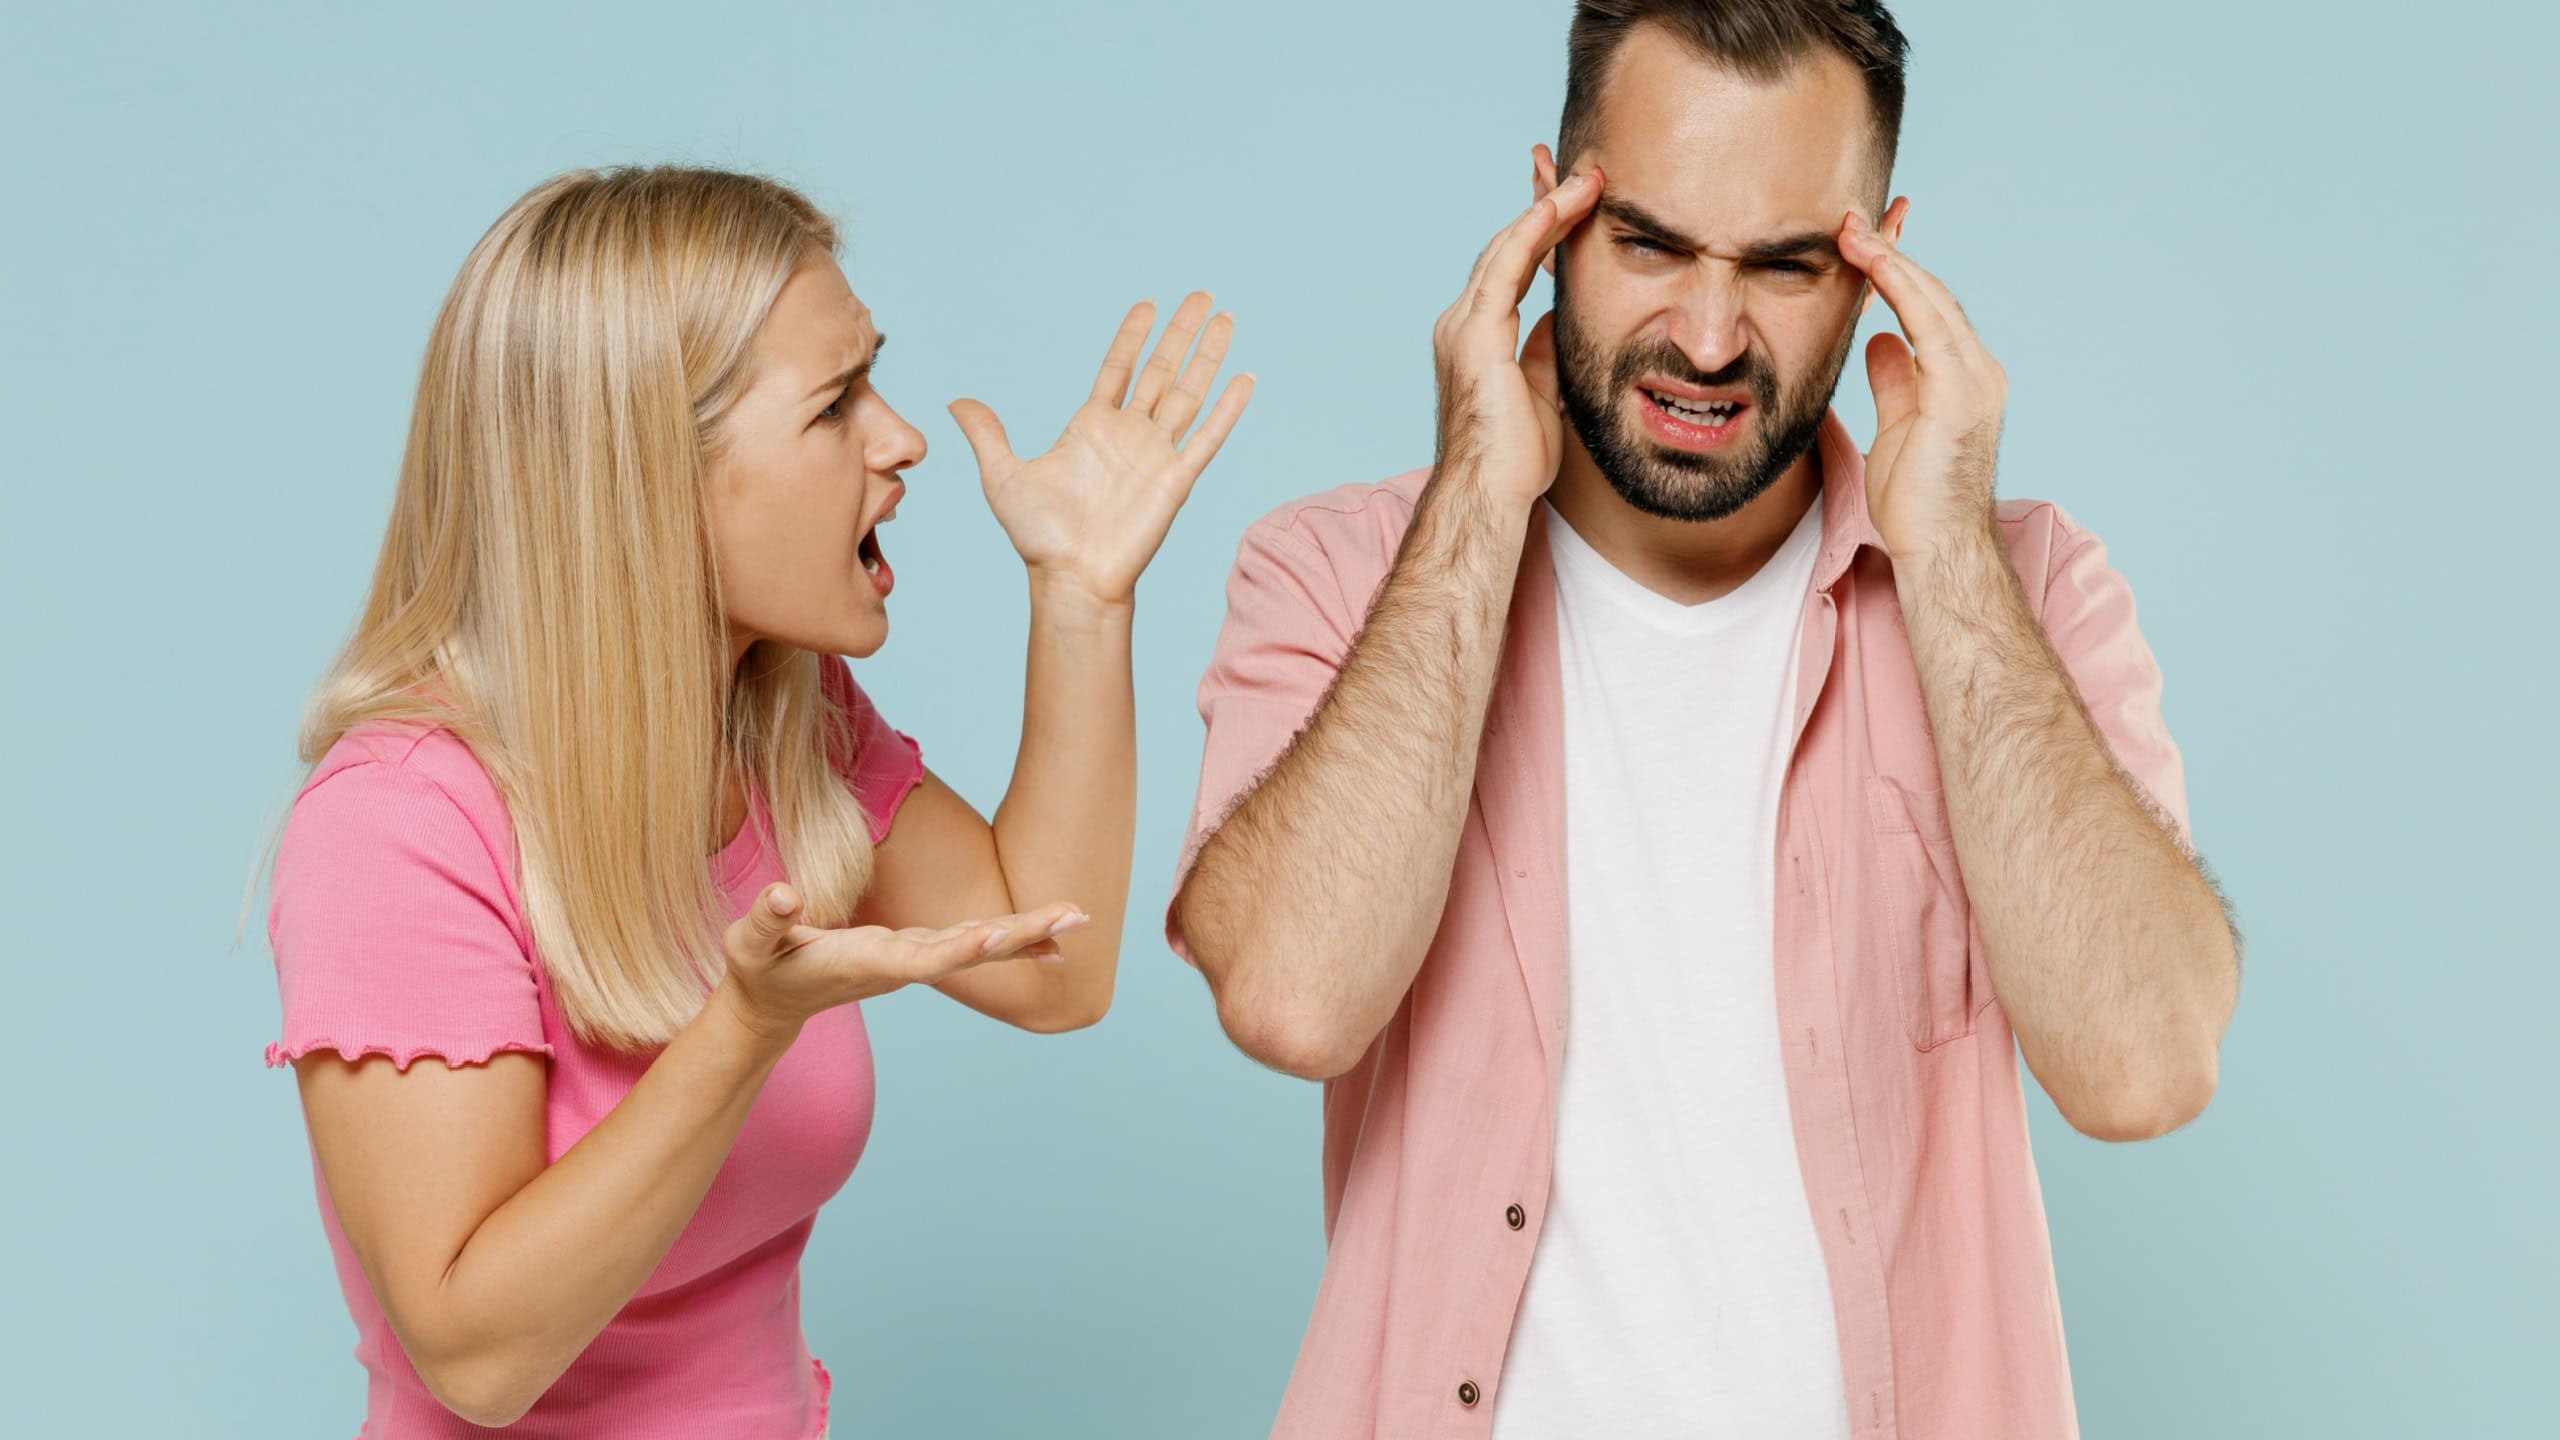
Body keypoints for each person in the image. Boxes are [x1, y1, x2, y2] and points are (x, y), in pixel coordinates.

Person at [1168, 2, 2238, 1435]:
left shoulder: (2029, 590)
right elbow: (1297, 998)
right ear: (1549, 212)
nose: (1712, 337)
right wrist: (1479, 498)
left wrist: (1951, 562)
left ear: (1881, 260)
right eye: (1653, 244)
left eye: (1788, 263)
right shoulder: (1337, 573)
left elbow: (2145, 1067)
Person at [264, 165, 1249, 1437]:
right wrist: (741, 1030)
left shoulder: (787, 723)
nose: (900, 439)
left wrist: (1081, 597)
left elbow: (1049, 963)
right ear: (647, 474)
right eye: (837, 405)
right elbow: (475, 1355)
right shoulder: (398, 825)